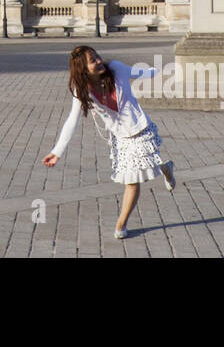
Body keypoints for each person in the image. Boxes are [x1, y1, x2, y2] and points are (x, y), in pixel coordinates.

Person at [43, 46, 176, 239]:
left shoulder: (116, 69)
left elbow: (140, 72)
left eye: (97, 56)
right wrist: (57, 152)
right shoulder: (82, 90)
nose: (99, 61)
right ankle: (166, 168)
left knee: (133, 180)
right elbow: (72, 120)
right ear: (83, 69)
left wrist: (161, 70)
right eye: (93, 60)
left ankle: (121, 224)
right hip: (121, 137)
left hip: (140, 128)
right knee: (134, 176)